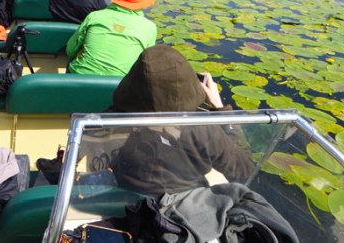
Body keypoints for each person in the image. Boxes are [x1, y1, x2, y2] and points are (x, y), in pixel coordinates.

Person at [110, 44, 257, 195]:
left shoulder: (114, 121)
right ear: (189, 85)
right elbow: (244, 168)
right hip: (183, 207)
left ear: (132, 83)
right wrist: (220, 109)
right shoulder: (202, 129)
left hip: (129, 204)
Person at [66, 0, 157, 76]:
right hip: (121, 86)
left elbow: (70, 50)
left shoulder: (94, 16)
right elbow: (147, 64)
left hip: (81, 79)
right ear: (142, 3)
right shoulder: (150, 28)